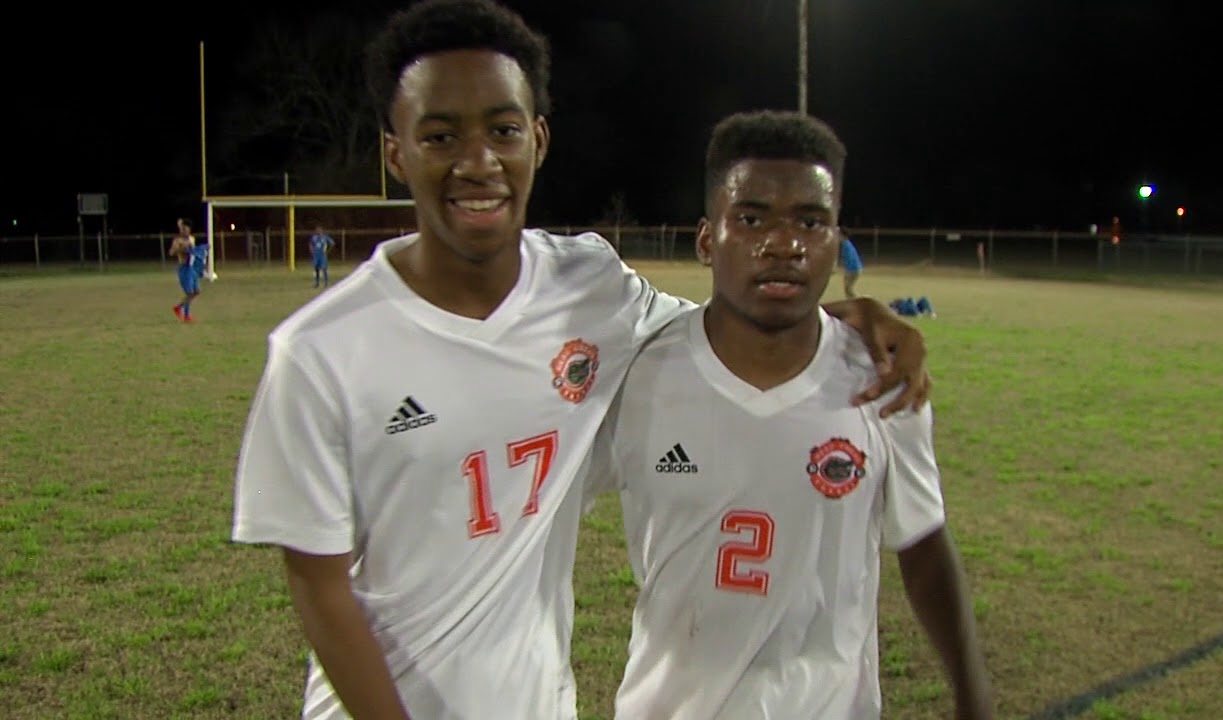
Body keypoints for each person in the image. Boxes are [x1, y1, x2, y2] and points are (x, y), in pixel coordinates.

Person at [229, 1, 931, 718]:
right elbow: (320, 590)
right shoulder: (319, 352)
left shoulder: (590, 287)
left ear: (537, 140)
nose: (478, 162)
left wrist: (851, 318)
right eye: (440, 136)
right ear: (396, 152)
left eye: (502, 130)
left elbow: (728, 330)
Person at [586, 110, 992, 719]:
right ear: (706, 240)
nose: (784, 243)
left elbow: (924, 541)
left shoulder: (881, 378)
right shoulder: (638, 374)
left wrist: (974, 697)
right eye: (751, 219)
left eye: (811, 221)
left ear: (836, 241)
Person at [168, 218, 199, 322]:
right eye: (183, 229)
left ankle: (178, 308)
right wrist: (181, 248)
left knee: (196, 291)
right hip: (184, 269)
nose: (184, 231)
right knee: (189, 293)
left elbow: (193, 251)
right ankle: (186, 315)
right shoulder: (178, 240)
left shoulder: (192, 239)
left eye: (186, 229)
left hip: (192, 268)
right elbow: (171, 252)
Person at [839, 230, 863, 298]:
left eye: (839, 235)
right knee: (847, 289)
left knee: (849, 289)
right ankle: (851, 302)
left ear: (843, 236)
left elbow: (851, 259)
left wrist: (848, 271)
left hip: (853, 269)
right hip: (854, 269)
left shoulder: (846, 246)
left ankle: (858, 301)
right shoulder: (846, 244)